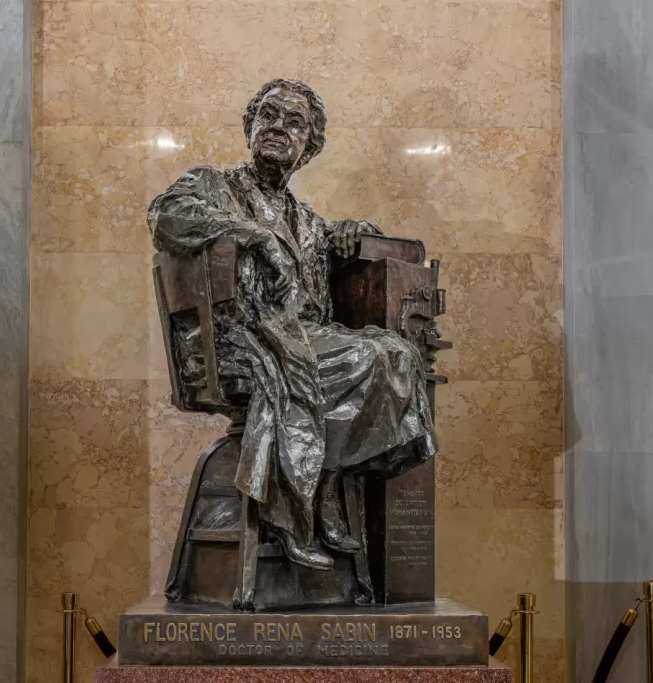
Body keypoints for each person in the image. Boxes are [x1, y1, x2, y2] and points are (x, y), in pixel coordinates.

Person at [148, 79, 437, 571]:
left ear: (310, 147)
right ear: (250, 126)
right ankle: (296, 511)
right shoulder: (212, 187)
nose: (279, 127)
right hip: (238, 343)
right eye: (270, 115)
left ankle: (321, 481)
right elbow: (165, 215)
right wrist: (252, 233)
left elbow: (341, 244)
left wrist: (354, 231)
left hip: (301, 339)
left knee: (397, 355)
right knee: (357, 357)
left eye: (295, 122)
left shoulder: (305, 220)